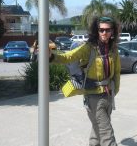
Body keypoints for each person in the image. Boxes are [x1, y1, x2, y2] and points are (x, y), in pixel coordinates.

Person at [50, 16, 121, 146]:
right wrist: (51, 56)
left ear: (112, 32)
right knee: (107, 134)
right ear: (96, 31)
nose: (104, 33)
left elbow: (116, 73)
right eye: (101, 30)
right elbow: (68, 57)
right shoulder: (89, 48)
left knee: (97, 129)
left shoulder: (113, 50)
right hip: (93, 96)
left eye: (107, 30)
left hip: (108, 95)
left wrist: (114, 91)